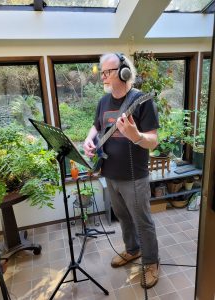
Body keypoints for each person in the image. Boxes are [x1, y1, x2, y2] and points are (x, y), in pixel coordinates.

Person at [83, 52, 160, 288]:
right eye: (102, 72)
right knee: (124, 217)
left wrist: (136, 136)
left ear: (124, 72)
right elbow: (96, 126)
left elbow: (153, 141)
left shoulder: (142, 100)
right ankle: (133, 250)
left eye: (108, 72)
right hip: (110, 173)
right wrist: (89, 140)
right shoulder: (103, 102)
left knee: (142, 220)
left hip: (134, 176)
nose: (104, 77)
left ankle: (151, 262)